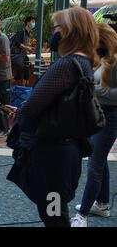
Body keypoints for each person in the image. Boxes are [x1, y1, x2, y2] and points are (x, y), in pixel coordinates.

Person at [7, 6, 99, 227]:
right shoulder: (84, 63)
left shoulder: (66, 65)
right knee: (55, 211)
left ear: (69, 31)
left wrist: (20, 116)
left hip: (52, 157)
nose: (53, 32)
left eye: (56, 27)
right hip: (63, 152)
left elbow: (32, 107)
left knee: (54, 215)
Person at [71, 23, 117, 227]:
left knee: (94, 166)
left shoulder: (114, 63)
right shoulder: (102, 60)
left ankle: (82, 217)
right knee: (98, 160)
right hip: (97, 115)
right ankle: (103, 203)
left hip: (109, 117)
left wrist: (92, 88)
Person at [11, 17, 36, 85]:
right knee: (21, 67)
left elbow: (25, 45)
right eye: (32, 21)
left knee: (28, 68)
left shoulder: (29, 33)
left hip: (23, 55)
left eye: (34, 22)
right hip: (16, 55)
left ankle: (26, 86)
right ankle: (15, 81)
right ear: (28, 22)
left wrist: (30, 49)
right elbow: (18, 43)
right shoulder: (21, 31)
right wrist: (28, 48)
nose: (34, 23)